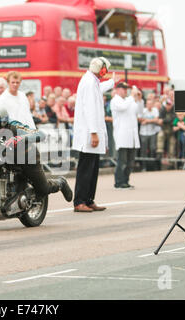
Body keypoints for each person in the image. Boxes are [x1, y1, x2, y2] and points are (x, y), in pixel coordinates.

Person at [0, 102, 73, 203]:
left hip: (27, 158)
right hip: (7, 159)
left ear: (3, 120)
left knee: (43, 189)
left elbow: (40, 134)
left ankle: (60, 182)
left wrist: (19, 138)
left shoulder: (14, 126)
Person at [72, 57, 116, 212]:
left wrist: (111, 83)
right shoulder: (90, 82)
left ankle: (89, 199)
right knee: (86, 168)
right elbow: (90, 110)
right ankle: (79, 201)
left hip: (92, 132)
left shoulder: (92, 81)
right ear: (101, 69)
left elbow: (100, 88)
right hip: (89, 133)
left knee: (93, 168)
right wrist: (94, 133)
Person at [110, 83, 144, 189]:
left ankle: (126, 180)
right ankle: (119, 182)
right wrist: (131, 97)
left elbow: (140, 112)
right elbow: (122, 107)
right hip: (122, 135)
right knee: (122, 161)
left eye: (126, 89)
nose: (125, 91)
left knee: (130, 162)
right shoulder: (115, 100)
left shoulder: (129, 101)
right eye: (123, 89)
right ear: (117, 90)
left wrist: (139, 99)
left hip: (132, 136)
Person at [139, 99, 161, 171]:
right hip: (143, 133)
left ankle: (151, 166)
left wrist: (147, 121)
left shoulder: (155, 110)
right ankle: (143, 166)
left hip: (152, 133)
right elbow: (139, 119)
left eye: (151, 104)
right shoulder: (143, 110)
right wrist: (151, 120)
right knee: (144, 150)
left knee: (153, 149)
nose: (149, 105)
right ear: (146, 105)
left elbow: (156, 119)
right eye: (148, 104)